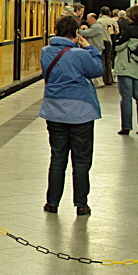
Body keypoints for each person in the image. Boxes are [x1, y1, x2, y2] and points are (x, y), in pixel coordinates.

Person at [40, 14, 104, 216]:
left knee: (57, 158)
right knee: (81, 160)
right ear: (76, 33)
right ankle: (81, 204)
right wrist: (89, 47)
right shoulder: (80, 54)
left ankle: (52, 203)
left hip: (54, 111)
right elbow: (97, 70)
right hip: (80, 113)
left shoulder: (45, 52)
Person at [111, 5, 138, 135]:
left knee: (126, 98)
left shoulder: (130, 30)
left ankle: (126, 126)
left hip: (126, 66)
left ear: (131, 17)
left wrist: (114, 36)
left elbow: (118, 46)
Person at [78, 13, 109, 88]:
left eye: (88, 19)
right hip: (96, 47)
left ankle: (99, 82)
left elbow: (86, 33)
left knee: (95, 64)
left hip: (96, 47)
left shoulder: (96, 27)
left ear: (92, 19)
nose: (87, 21)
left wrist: (78, 30)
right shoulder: (95, 26)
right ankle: (98, 82)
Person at [96, 7, 119, 85]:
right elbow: (117, 31)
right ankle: (109, 79)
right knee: (109, 61)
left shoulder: (98, 21)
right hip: (109, 41)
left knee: (102, 60)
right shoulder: (112, 21)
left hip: (101, 42)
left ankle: (103, 79)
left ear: (101, 13)